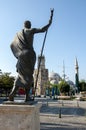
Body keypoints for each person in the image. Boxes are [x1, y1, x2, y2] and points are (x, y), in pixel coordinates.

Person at [9, 10, 53, 102]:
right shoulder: (31, 30)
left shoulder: (18, 34)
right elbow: (43, 29)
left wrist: (18, 55)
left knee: (20, 75)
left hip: (21, 55)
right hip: (29, 54)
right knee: (28, 76)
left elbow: (12, 45)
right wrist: (50, 21)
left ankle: (12, 93)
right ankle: (27, 97)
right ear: (29, 25)